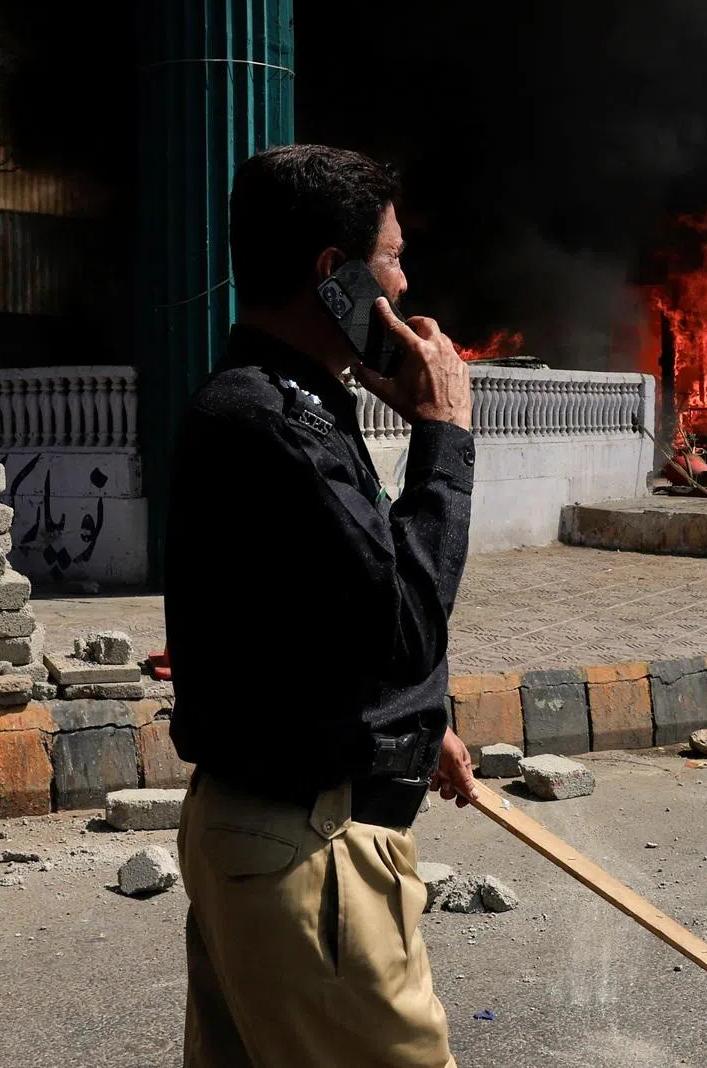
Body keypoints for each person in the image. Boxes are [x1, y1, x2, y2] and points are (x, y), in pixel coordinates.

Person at [165, 144, 478, 1068]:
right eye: (391, 255)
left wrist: (418, 727)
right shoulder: (267, 424)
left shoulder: (287, 404)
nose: (406, 278)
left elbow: (320, 617)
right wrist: (444, 440)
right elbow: (404, 622)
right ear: (332, 275)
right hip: (312, 852)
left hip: (270, 833)